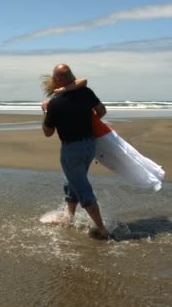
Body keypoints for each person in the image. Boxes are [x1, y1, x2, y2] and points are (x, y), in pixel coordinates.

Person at [42, 77, 165, 191]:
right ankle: (70, 209)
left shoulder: (77, 92)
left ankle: (153, 179)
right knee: (125, 159)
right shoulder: (67, 98)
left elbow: (83, 81)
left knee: (127, 158)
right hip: (93, 137)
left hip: (100, 135)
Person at [42, 64, 110, 240]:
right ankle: (69, 217)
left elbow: (48, 133)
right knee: (71, 182)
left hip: (71, 149)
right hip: (89, 146)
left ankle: (101, 228)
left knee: (82, 188)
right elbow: (102, 111)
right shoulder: (86, 93)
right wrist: (86, 122)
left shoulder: (55, 104)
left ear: (57, 80)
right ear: (71, 76)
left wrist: (45, 111)